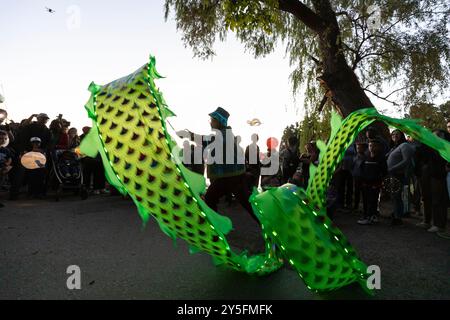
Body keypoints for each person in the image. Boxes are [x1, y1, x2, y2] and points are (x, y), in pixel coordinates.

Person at [179, 107, 257, 220]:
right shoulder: (224, 134)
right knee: (246, 204)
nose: (211, 122)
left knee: (211, 198)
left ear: (220, 122)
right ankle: (267, 227)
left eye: (213, 120)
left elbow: (207, 140)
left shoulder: (224, 135)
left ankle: (216, 227)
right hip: (232, 176)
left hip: (231, 177)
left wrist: (189, 135)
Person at [386, 129, 415, 225]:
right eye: (393, 134)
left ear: (402, 135)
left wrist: (393, 168)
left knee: (397, 196)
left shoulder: (405, 145)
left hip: (398, 174)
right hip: (392, 174)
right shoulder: (394, 147)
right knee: (394, 196)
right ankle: (396, 213)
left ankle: (398, 218)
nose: (394, 135)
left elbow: (406, 161)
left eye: (397, 134)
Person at [357, 139, 387, 225]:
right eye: (370, 146)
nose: (372, 147)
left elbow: (384, 171)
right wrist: (362, 180)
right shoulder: (365, 156)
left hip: (375, 184)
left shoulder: (381, 158)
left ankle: (372, 216)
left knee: (373, 200)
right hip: (365, 183)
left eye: (374, 145)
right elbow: (361, 169)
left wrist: (380, 182)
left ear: (378, 147)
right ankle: (367, 216)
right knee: (366, 200)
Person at [352, 141, 368, 212]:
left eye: (360, 147)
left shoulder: (365, 157)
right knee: (356, 192)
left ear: (364, 149)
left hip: (363, 178)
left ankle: (365, 209)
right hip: (356, 177)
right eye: (357, 147)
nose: (358, 148)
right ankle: (356, 207)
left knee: (364, 194)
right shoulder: (355, 156)